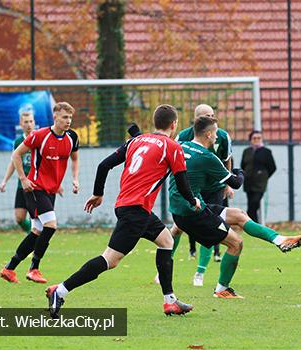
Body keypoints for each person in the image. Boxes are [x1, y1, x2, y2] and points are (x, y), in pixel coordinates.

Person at [45, 104, 201, 318]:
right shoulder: (172, 147)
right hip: (135, 211)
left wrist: (98, 193)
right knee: (110, 260)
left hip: (131, 206)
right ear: (174, 124)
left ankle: (170, 301)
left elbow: (103, 166)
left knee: (166, 241)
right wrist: (193, 201)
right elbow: (182, 183)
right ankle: (60, 290)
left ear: (154, 123)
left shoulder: (136, 141)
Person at [169, 115, 301, 297]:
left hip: (184, 208)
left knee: (239, 215)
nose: (218, 137)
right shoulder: (207, 157)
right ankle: (222, 289)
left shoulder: (180, 146)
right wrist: (239, 172)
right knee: (236, 243)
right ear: (209, 134)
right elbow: (235, 183)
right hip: (193, 213)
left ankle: (280, 240)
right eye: (216, 133)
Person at [0, 102, 80, 284]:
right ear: (55, 117)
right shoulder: (40, 135)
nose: (68, 121)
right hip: (35, 188)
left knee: (37, 231)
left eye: (70, 117)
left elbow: (75, 158)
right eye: (65, 117)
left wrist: (75, 179)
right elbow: (16, 155)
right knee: (50, 225)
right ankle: (34, 268)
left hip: (50, 190)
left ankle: (10, 268)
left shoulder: (72, 137)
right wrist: (23, 178)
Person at [176, 104, 231, 277]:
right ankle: (163, 269)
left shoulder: (222, 135)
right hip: (191, 190)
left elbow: (227, 159)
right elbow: (175, 163)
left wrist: (228, 184)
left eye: (213, 115)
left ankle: (201, 271)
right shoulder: (183, 137)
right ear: (197, 120)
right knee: (177, 228)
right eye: (207, 115)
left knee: (214, 224)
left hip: (214, 187)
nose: (212, 118)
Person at [0, 107, 36, 234]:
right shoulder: (18, 142)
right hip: (22, 184)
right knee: (19, 218)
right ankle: (30, 235)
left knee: (35, 217)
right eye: (26, 122)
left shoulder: (39, 139)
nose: (29, 124)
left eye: (31, 121)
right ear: (21, 124)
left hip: (36, 184)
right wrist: (4, 181)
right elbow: (14, 161)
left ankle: (34, 241)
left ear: (34, 122)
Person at [241, 130, 276, 223]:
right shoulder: (246, 151)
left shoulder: (266, 152)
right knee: (251, 203)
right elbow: (243, 165)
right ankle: (254, 224)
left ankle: (247, 221)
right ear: (250, 140)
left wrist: (264, 176)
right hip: (248, 181)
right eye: (254, 138)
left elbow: (272, 167)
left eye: (259, 138)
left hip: (260, 183)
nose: (256, 140)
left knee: (255, 203)